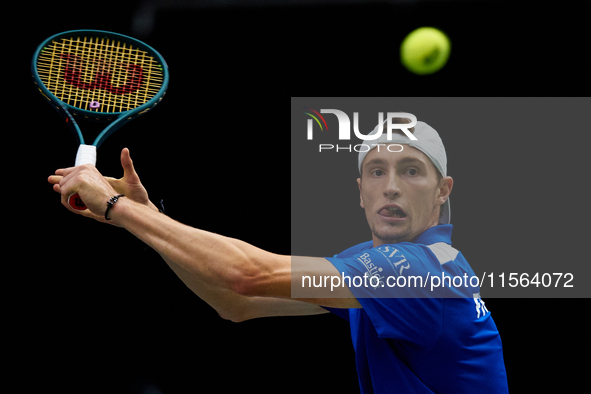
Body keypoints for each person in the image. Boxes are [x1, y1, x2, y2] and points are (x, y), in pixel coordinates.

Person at [48, 116, 508, 393]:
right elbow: (236, 303)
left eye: (411, 171)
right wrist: (143, 217)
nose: (391, 186)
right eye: (376, 172)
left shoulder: (415, 269)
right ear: (360, 192)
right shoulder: (377, 264)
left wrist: (119, 208)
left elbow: (246, 274)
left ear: (443, 191)